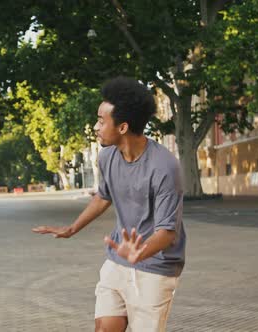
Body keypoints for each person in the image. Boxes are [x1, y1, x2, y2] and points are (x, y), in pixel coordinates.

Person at [33, 77, 186, 332]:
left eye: (101, 121)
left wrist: (141, 253)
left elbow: (168, 232)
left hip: (156, 267)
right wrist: (72, 229)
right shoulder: (107, 157)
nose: (95, 126)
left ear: (123, 127)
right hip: (118, 260)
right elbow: (103, 196)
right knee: (105, 328)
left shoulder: (164, 167)